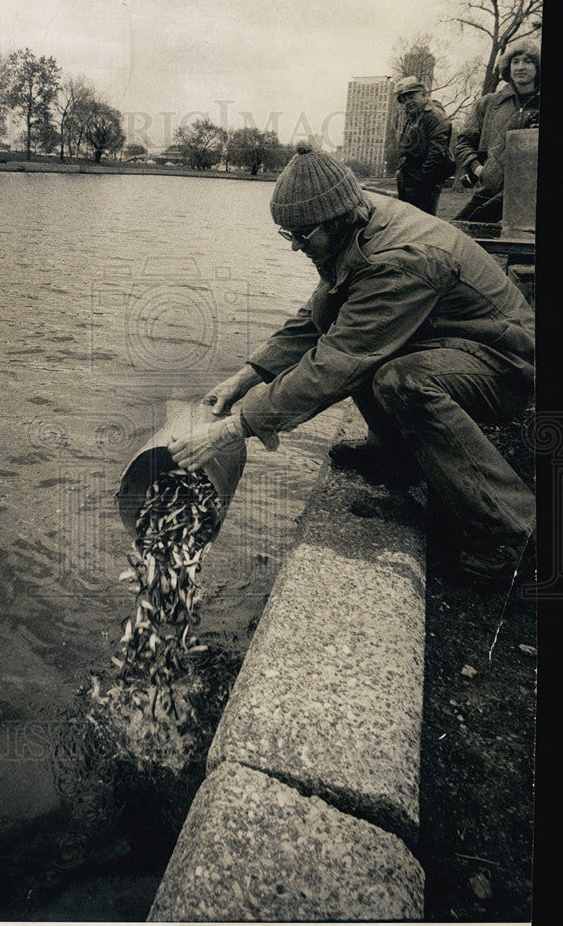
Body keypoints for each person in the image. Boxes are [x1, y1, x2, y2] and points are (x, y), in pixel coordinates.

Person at [168, 143, 535, 587]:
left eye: (303, 236)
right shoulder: (352, 223)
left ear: (337, 218)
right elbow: (317, 317)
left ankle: (509, 529)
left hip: (504, 363)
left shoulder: (401, 259)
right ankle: (394, 455)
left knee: (404, 382)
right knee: (351, 332)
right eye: (289, 235)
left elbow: (338, 362)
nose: (296, 248)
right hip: (449, 342)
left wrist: (236, 427)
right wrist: (247, 376)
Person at [455, 38, 540, 224]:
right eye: (515, 62)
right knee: (460, 234)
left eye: (528, 61)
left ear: (538, 66)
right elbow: (463, 143)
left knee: (521, 247)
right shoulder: (488, 103)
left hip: (530, 195)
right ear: (508, 68)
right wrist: (479, 169)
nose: (520, 67)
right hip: (489, 190)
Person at [393, 76, 455, 216]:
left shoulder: (434, 116)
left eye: (411, 96)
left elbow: (436, 152)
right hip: (410, 177)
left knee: (423, 222)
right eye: (405, 99)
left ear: (424, 95)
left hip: (424, 180)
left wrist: (424, 180)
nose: (408, 102)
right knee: (407, 220)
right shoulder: (415, 116)